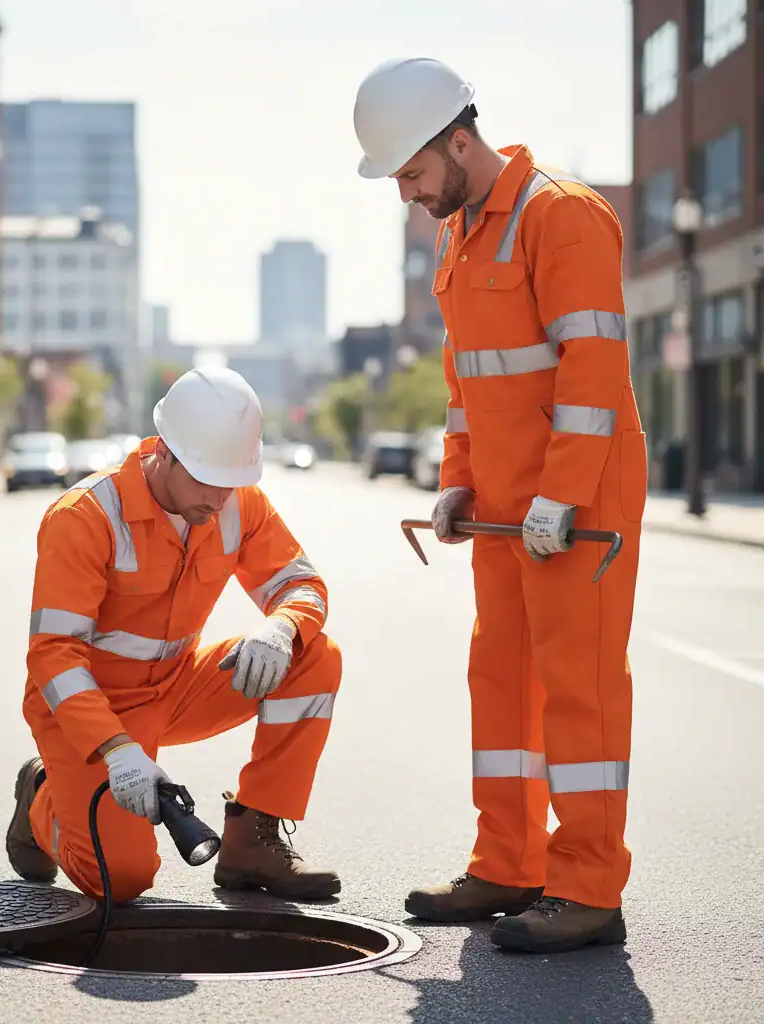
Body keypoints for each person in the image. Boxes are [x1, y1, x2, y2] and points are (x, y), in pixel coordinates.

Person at [353, 58, 646, 954]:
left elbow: (593, 372)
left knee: (579, 690)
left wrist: (563, 495)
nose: (406, 193)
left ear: (458, 142)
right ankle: (508, 863)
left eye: (411, 172)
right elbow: (466, 386)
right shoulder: (462, 236)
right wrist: (458, 478)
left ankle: (587, 887)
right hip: (504, 509)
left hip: (578, 508)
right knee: (503, 681)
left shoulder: (561, 215)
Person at [5, 366, 342, 904]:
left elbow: (302, 585)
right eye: (206, 478)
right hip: (88, 712)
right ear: (163, 451)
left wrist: (282, 626)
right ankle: (42, 798)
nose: (219, 497)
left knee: (314, 655)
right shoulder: (85, 517)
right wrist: (116, 749)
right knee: (121, 879)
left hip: (175, 687)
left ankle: (252, 842)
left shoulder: (237, 502)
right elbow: (53, 657)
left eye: (231, 480)